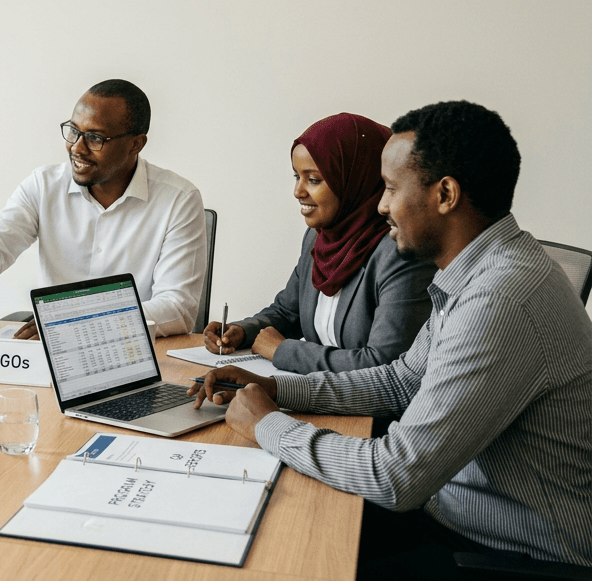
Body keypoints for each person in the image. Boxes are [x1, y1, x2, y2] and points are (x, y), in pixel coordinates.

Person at [191, 101, 592, 574]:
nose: (380, 205)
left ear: (445, 195)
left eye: (390, 188)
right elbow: (403, 381)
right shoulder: (479, 273)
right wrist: (279, 389)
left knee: (286, 552)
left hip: (510, 555)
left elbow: (396, 476)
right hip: (451, 515)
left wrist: (268, 424)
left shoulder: (499, 299)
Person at [0, 79, 207, 337]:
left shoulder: (179, 200)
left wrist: (76, 321)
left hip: (137, 351)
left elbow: (177, 308)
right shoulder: (44, 184)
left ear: (136, 143)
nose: (77, 148)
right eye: (73, 131)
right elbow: (0, 237)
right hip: (55, 352)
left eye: (95, 138)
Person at [202, 113, 435, 373]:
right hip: (316, 396)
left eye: (313, 179)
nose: (298, 192)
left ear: (355, 179)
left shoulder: (401, 251)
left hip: (365, 410)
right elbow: (288, 312)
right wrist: (242, 331)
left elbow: (382, 364)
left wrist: (283, 350)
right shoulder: (319, 237)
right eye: (297, 177)